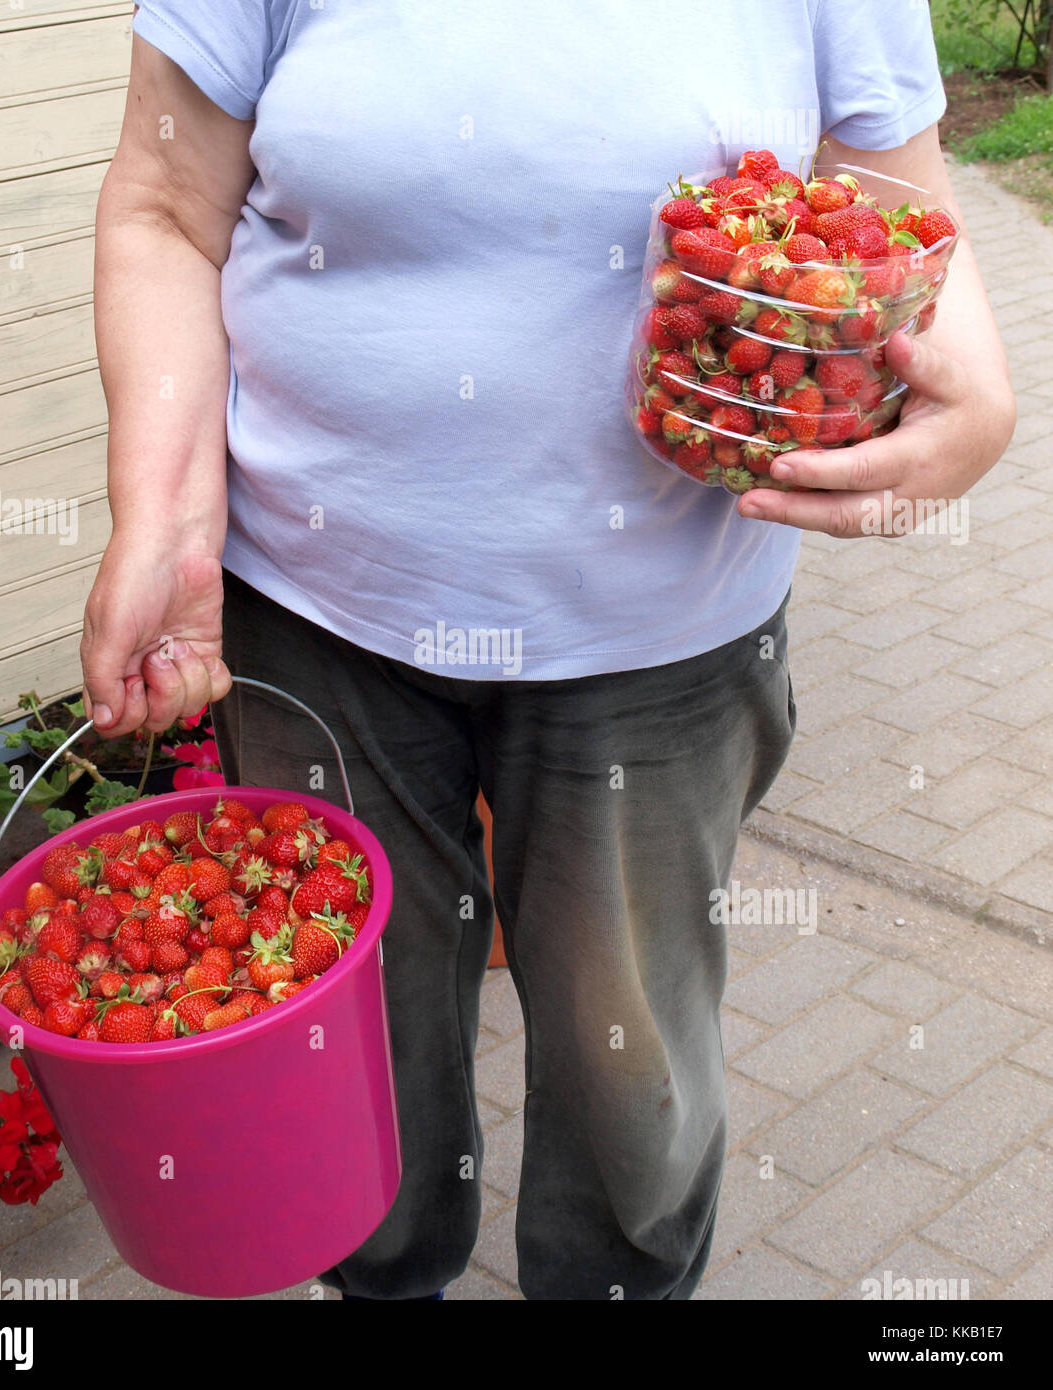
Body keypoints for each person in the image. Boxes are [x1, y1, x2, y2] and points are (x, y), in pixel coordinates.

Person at [80, 1, 1015, 1300]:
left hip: (656, 642)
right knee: (357, 1075)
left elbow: (899, 209)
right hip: (320, 620)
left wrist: (977, 405)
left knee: (631, 1098)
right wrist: (161, 516)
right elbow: (168, 211)